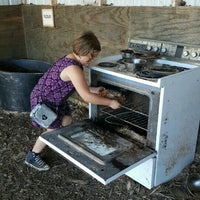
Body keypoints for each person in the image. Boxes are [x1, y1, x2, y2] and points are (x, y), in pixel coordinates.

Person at [25, 31, 121, 171]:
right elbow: (86, 97)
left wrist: (94, 89)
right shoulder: (73, 68)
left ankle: (58, 141)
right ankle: (32, 156)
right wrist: (110, 103)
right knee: (52, 130)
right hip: (44, 102)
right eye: (91, 55)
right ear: (83, 51)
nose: (92, 59)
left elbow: (75, 85)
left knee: (67, 119)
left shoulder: (70, 59)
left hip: (54, 99)